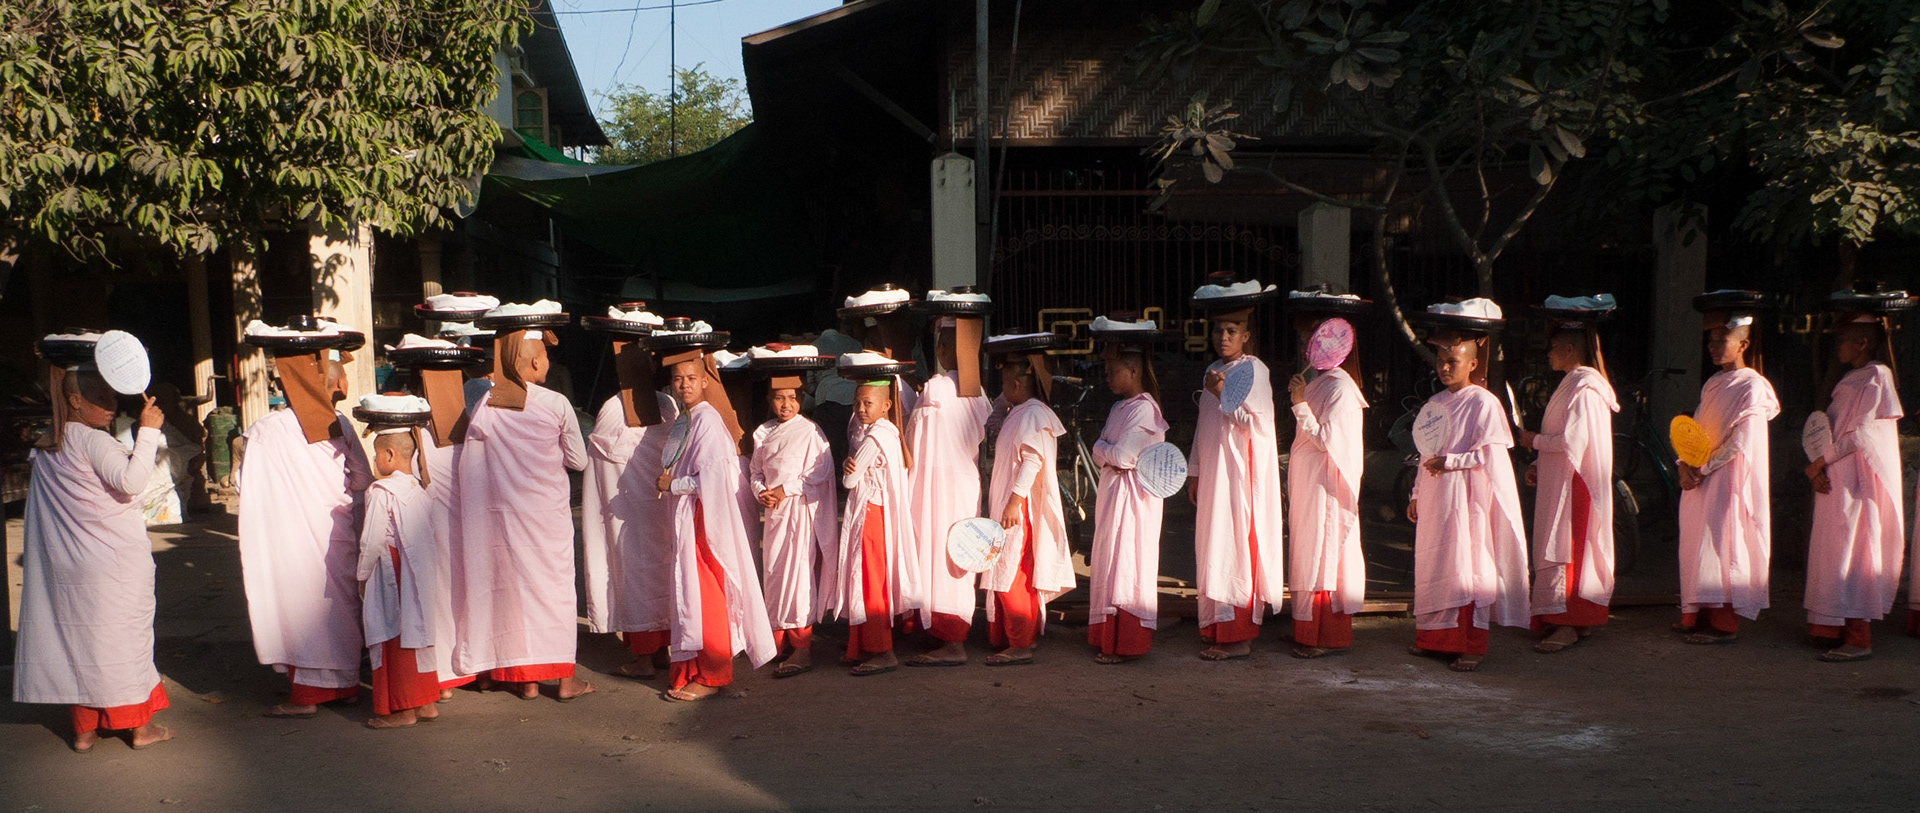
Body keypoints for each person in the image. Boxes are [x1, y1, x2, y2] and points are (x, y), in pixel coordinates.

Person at [14, 353, 175, 752]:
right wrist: (148, 432)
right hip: (112, 565)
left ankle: (84, 731)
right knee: (124, 642)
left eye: (112, 397)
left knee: (78, 642)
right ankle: (139, 729)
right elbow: (132, 481)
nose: (111, 406)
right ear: (74, 402)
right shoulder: (94, 440)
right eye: (101, 398)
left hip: (70, 565)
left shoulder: (52, 441)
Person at [452, 307, 595, 701]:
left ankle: (525, 680)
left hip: (501, 519)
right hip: (546, 518)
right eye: (546, 356)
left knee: (511, 591)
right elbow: (579, 461)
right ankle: (565, 680)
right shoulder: (555, 404)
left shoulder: (485, 405)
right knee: (553, 593)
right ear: (535, 360)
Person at [238, 318, 372, 717]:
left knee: (303, 605)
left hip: (294, 541)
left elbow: (249, 488)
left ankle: (310, 697)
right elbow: (362, 477)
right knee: (339, 604)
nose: (343, 386)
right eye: (339, 375)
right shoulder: (340, 425)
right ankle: (345, 685)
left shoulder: (266, 430)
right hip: (338, 530)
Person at [1404, 300, 1530, 672]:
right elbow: (1424, 454)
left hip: (1466, 501)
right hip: (1435, 496)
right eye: (1440, 360)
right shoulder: (1434, 403)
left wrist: (1453, 462)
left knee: (1465, 567)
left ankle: (1469, 644)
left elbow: (1490, 455)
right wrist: (1415, 493)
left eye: (1453, 361)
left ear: (1473, 364)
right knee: (1433, 564)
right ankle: (1433, 638)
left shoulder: (1484, 403)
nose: (1444, 367)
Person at [655, 353, 777, 699]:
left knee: (707, 593)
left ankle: (714, 674)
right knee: (691, 592)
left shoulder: (707, 420)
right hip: (690, 516)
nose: (685, 385)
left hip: (704, 518)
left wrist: (673, 486)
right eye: (678, 379)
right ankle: (694, 668)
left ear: (705, 382)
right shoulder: (686, 418)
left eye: (692, 378)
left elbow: (712, 477)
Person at [1803, 290, 1907, 661]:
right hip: (1834, 476)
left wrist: (1821, 462)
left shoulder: (1877, 376)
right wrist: (1818, 465)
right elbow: (1829, 429)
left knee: (1854, 550)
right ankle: (1828, 625)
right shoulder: (1852, 377)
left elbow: (1860, 434)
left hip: (1856, 481)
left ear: (1863, 342)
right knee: (1832, 551)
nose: (1839, 347)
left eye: (1844, 339)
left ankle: (1857, 636)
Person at [578, 307, 681, 680]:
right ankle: (664, 649)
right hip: (659, 507)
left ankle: (642, 659)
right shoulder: (668, 405)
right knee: (661, 573)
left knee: (636, 576)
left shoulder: (613, 407)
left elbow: (602, 464)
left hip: (629, 513)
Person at [1187, 276, 1285, 660]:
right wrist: (1195, 470)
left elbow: (1258, 423)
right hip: (1213, 473)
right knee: (1211, 543)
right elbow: (1202, 425)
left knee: (1235, 546)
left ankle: (1239, 634)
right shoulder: (1211, 369)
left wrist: (1221, 392)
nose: (1223, 337)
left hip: (1238, 477)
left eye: (1232, 330)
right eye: (1218, 330)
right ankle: (1214, 625)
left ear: (1246, 335)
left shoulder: (1254, 370)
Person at [1674, 292, 1781, 645]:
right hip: (1700, 476)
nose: (1713, 346)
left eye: (1722, 340)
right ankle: (1695, 614)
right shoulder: (1712, 383)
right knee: (1697, 544)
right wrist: (1683, 464)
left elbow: (1740, 442)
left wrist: (1704, 468)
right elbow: (1698, 430)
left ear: (1743, 344)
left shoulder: (1753, 386)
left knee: (1723, 544)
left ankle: (1722, 622)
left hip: (1727, 479)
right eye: (1710, 340)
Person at [1516, 300, 1620, 654]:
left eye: (1553, 347)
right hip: (1562, 479)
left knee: (1570, 550)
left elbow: (1575, 442)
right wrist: (1538, 463)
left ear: (1570, 349)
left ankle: (1570, 622)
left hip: (1576, 486)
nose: (1548, 354)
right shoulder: (1573, 384)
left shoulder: (1586, 388)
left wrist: (1535, 442)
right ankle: (1570, 619)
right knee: (1562, 548)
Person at [1283, 292, 1371, 659]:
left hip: (1326, 488)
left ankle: (1325, 634)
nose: (1306, 345)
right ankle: (1307, 630)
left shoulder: (1339, 389)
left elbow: (1326, 441)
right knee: (1308, 550)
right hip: (1309, 486)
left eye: (1311, 338)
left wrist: (1300, 404)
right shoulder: (1321, 383)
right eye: (1303, 339)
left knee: (1323, 553)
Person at [903, 308, 992, 667]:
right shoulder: (979, 393)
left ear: (941, 351)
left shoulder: (936, 389)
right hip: (962, 484)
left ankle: (951, 640)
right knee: (957, 554)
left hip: (932, 484)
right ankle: (944, 630)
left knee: (937, 551)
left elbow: (913, 435)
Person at [1085, 319, 1176, 663]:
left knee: (1127, 565)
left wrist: (1105, 450)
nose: (1106, 376)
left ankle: (1126, 642)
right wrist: (1108, 452)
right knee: (1111, 562)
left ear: (1134, 370)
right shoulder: (1118, 407)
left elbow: (1122, 455)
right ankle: (1107, 635)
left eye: (1112, 369)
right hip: (1114, 496)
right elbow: (1107, 454)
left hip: (1133, 503)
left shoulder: (1144, 410)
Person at [352, 397, 443, 729]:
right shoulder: (418, 489)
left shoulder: (381, 491)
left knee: (393, 636)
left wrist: (362, 575)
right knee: (417, 633)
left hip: (389, 574)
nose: (375, 460)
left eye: (376, 453)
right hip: (417, 574)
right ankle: (426, 702)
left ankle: (403, 709)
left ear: (389, 455)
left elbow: (371, 539)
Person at [982, 334, 1072, 666]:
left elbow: (1033, 461)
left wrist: (1013, 502)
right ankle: (1018, 639)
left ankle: (1020, 644)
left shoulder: (1034, 414)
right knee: (1009, 573)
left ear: (1017, 382)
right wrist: (1003, 402)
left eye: (1006, 380)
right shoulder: (1020, 411)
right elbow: (991, 425)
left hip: (1018, 513)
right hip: (1011, 509)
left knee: (1012, 575)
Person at [829, 363, 922, 676]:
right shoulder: (885, 432)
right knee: (866, 581)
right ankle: (864, 646)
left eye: (868, 403)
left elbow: (849, 482)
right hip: (872, 512)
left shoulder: (876, 436)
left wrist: (848, 469)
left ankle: (882, 650)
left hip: (871, 514)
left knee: (869, 583)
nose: (861, 409)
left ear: (886, 405)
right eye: (857, 402)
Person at [748, 358, 839, 678]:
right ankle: (778, 640)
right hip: (774, 515)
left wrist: (786, 489)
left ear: (802, 398)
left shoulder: (811, 431)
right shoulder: (763, 432)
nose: (785, 404)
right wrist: (761, 490)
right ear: (769, 400)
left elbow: (821, 472)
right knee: (773, 575)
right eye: (778, 397)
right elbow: (756, 470)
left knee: (797, 578)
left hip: (800, 514)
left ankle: (802, 649)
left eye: (792, 397)